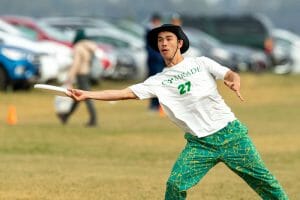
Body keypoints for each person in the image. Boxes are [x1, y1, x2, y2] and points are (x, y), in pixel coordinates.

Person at [66, 24, 288, 199]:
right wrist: (87, 94)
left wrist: (233, 81)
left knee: (266, 182)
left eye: (168, 39)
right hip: (200, 144)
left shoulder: (201, 63)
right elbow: (125, 92)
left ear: (180, 43)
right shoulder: (159, 80)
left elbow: (229, 74)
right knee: (175, 184)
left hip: (231, 136)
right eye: (160, 40)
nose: (163, 43)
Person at [58, 29, 98, 127]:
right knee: (78, 97)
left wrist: (70, 78)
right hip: (87, 73)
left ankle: (93, 120)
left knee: (87, 97)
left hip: (81, 75)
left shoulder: (78, 47)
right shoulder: (88, 47)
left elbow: (76, 64)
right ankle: (66, 116)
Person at [145, 13, 164, 111]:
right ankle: (153, 105)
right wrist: (157, 56)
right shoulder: (150, 31)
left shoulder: (160, 31)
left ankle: (159, 105)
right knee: (154, 83)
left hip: (160, 61)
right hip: (154, 61)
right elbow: (150, 48)